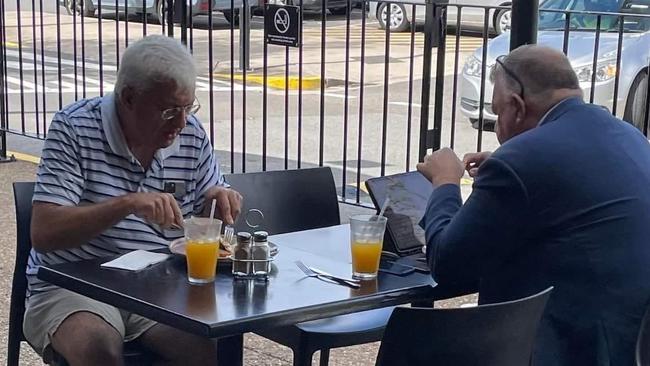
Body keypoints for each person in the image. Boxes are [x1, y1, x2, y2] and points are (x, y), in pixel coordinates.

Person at [417, 45, 650, 365]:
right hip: (633, 340)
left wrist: (446, 182)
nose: (498, 123)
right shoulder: (628, 134)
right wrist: (511, 164)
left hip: (568, 347)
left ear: (516, 106)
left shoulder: (521, 161)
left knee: (428, 349)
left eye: (498, 113)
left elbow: (447, 265)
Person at [24, 35, 242, 365]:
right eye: (169, 110)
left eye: (187, 108)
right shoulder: (74, 127)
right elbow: (44, 233)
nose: (181, 123)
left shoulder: (191, 133)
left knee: (214, 353)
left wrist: (217, 201)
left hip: (157, 288)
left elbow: (204, 219)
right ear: (128, 97)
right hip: (74, 285)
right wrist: (127, 204)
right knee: (99, 353)